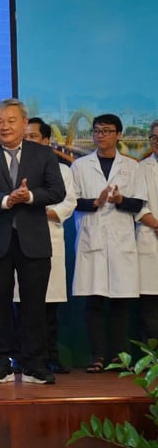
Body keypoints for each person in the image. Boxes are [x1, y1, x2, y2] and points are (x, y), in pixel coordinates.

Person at [0, 99, 65, 385]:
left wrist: (30, 197)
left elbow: (56, 190)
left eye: (11, 121)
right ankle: (1, 363)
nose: (5, 126)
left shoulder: (43, 154)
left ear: (24, 123)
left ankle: (34, 363)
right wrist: (6, 200)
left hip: (33, 241)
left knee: (34, 305)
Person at [70, 114, 145, 373]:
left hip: (121, 242)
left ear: (118, 135)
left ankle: (117, 357)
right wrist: (95, 202)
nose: (100, 135)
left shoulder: (132, 167)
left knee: (120, 305)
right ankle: (97, 357)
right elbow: (72, 202)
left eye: (106, 131)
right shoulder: (80, 166)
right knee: (94, 302)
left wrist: (120, 200)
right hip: (92, 241)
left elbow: (139, 203)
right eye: (97, 131)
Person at [21, 117, 76, 374]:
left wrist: (38, 210)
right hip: (20, 240)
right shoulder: (14, 166)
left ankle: (50, 356)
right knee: (20, 304)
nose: (29, 140)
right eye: (26, 135)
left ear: (46, 140)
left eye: (34, 136)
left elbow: (68, 202)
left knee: (49, 306)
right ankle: (21, 357)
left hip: (49, 237)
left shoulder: (63, 169)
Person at [136, 120, 158, 344]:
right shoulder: (140, 168)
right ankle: (152, 361)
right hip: (150, 238)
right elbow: (138, 205)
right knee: (150, 310)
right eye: (154, 137)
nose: (157, 142)